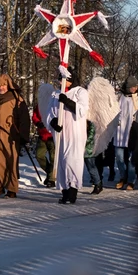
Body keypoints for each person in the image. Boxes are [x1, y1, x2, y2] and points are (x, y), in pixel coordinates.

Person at [47, 69, 89, 204]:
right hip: (61, 134)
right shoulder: (55, 93)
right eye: (61, 79)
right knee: (61, 162)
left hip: (75, 133)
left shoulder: (80, 92)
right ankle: (64, 191)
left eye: (65, 79)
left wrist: (68, 102)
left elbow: (82, 110)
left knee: (73, 160)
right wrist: (53, 122)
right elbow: (50, 112)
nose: (62, 82)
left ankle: (73, 190)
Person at [114, 76, 138, 190]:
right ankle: (123, 177)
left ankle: (131, 180)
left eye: (135, 86)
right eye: (132, 87)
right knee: (119, 157)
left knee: (132, 159)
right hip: (120, 132)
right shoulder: (120, 97)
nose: (134, 89)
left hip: (133, 132)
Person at [32, 105, 56, 188]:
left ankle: (51, 180)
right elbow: (34, 116)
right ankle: (50, 174)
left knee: (53, 158)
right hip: (42, 135)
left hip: (53, 136)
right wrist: (38, 122)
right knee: (39, 155)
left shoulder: (55, 103)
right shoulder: (41, 104)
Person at [85, 120, 105, 194]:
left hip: (89, 149)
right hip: (84, 148)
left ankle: (98, 184)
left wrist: (83, 141)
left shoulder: (91, 123)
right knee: (90, 167)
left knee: (91, 168)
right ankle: (97, 183)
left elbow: (91, 135)